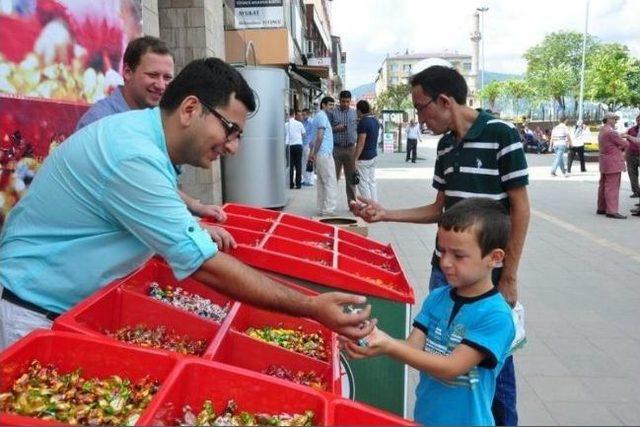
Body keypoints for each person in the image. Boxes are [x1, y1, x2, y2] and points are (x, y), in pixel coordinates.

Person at [0, 58, 375, 350]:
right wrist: (312, 307)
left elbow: (151, 208)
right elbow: (205, 267)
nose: (232, 147)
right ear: (191, 109)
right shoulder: (133, 155)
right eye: (231, 131)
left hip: (64, 308)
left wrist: (190, 225)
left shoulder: (144, 141)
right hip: (33, 312)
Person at [350, 65, 529, 426]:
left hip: (485, 269)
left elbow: (521, 208)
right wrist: (386, 214)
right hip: (445, 269)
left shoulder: (501, 135)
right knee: (437, 343)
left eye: (420, 107)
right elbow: (438, 209)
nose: (419, 116)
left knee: (492, 369)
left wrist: (508, 273)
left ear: (444, 100)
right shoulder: (447, 146)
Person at [343, 198, 515, 426]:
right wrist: (374, 340)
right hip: (426, 417)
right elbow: (412, 348)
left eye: (458, 255)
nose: (445, 262)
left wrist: (388, 345)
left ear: (494, 258)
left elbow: (452, 368)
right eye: (442, 251)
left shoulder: (496, 316)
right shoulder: (438, 297)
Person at [75, 35, 228, 225]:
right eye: (153, 75)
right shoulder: (99, 122)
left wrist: (194, 206)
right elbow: (131, 194)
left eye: (167, 77)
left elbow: (154, 182)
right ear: (128, 72)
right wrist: (190, 227)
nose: (161, 85)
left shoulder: (156, 117)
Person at [308, 97, 338, 216]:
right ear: (323, 105)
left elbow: (313, 139)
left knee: (322, 182)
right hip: (324, 154)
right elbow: (320, 137)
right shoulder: (322, 116)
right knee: (330, 182)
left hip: (321, 154)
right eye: (330, 105)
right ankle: (328, 209)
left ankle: (322, 208)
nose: (332, 107)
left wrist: (313, 154)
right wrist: (314, 153)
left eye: (332, 105)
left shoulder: (318, 116)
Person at [597, 112, 629, 219]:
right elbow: (625, 144)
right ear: (609, 119)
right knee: (612, 187)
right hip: (613, 162)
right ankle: (612, 211)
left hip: (605, 162)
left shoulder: (602, 130)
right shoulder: (611, 132)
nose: (616, 121)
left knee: (603, 185)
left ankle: (601, 207)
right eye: (615, 119)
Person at [329, 90, 358, 206]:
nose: (345, 104)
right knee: (333, 178)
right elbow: (326, 130)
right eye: (343, 101)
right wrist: (336, 128)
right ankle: (330, 204)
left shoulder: (354, 113)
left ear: (350, 101)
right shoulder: (332, 113)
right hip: (337, 149)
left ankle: (352, 204)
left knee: (351, 178)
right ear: (339, 101)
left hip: (351, 149)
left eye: (347, 102)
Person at [354, 100, 379, 202]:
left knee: (363, 183)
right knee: (372, 182)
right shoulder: (375, 120)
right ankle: (375, 204)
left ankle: (369, 206)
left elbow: (361, 143)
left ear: (359, 110)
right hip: (373, 155)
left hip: (364, 158)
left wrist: (355, 159)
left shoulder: (363, 122)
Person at [285, 109, 305, 189]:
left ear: (288, 115)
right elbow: (303, 134)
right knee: (298, 165)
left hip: (289, 146)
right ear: (294, 114)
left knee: (290, 165)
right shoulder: (299, 124)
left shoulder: (286, 124)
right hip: (298, 145)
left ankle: (291, 184)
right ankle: (298, 184)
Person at [624, 114, 640, 199]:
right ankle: (636, 191)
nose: (639, 122)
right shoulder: (631, 130)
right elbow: (626, 142)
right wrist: (625, 153)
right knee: (632, 175)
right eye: (637, 120)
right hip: (631, 155)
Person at [301, 108, 315, 186]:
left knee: (309, 162)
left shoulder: (311, 122)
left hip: (309, 144)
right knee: (303, 162)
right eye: (302, 114)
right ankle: (305, 179)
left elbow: (314, 134)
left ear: (308, 114)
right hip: (303, 144)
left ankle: (311, 180)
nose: (303, 116)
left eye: (304, 114)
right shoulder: (303, 123)